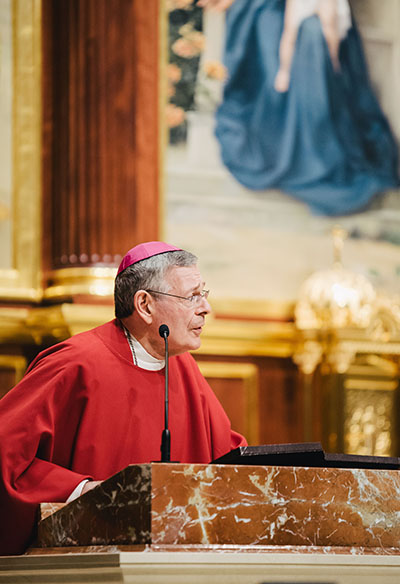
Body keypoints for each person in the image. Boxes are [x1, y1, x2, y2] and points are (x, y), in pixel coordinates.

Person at [0, 241, 247, 555]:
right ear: (144, 305)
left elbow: (227, 459)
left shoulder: (182, 365)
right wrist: (83, 490)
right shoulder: (76, 363)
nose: (205, 308)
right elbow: (6, 452)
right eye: (191, 296)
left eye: (204, 294)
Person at [212, 0, 399, 215]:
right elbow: (304, 34)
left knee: (317, 105)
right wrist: (322, 66)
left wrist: (290, 71)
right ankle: (311, 157)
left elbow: (310, 32)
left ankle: (315, 157)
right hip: (310, 55)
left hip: (312, 57)